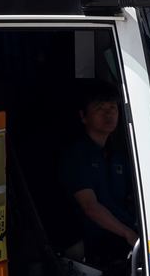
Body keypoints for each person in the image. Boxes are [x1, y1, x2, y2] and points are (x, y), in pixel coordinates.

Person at [59, 81, 138, 265]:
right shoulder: (76, 156)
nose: (108, 114)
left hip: (125, 233)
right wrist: (129, 234)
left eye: (113, 107)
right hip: (97, 239)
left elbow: (137, 195)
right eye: (100, 108)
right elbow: (90, 208)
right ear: (83, 116)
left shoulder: (118, 157)